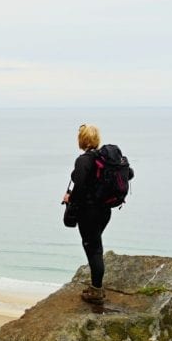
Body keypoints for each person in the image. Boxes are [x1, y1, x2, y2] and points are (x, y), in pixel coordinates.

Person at [62, 124, 110, 305]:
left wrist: (69, 199)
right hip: (105, 211)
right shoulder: (104, 158)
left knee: (93, 248)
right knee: (95, 244)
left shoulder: (84, 161)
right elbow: (129, 173)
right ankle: (96, 286)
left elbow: (80, 187)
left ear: (81, 140)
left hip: (89, 212)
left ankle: (96, 291)